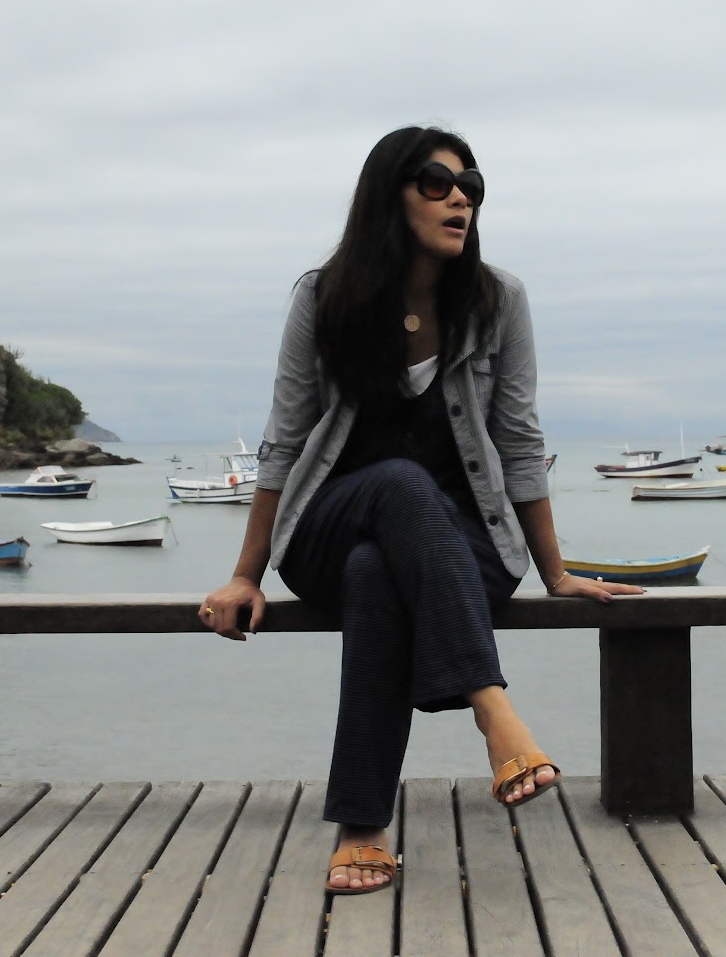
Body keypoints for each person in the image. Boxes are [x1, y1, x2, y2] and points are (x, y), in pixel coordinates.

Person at [199, 126, 643, 896]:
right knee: (398, 485)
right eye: (437, 182)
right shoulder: (323, 297)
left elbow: (519, 441)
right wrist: (246, 574)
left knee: (379, 572)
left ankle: (362, 828)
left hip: (461, 545)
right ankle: (495, 712)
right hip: (329, 528)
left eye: (472, 185)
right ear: (389, 195)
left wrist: (556, 572)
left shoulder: (499, 301)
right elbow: (285, 440)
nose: (460, 197)